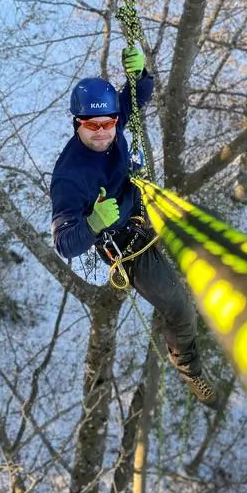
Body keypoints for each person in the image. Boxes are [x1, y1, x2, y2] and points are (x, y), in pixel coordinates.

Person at [50, 47, 219, 408]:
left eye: (109, 123)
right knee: (178, 305)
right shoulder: (69, 177)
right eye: (91, 126)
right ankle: (190, 369)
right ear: (76, 123)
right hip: (123, 243)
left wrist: (139, 72)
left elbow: (138, 95)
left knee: (205, 238)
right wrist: (94, 223)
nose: (102, 133)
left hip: (143, 206)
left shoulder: (113, 122)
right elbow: (64, 244)